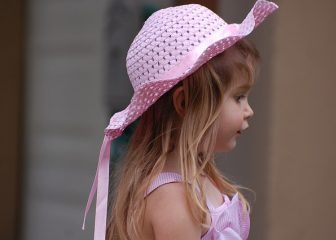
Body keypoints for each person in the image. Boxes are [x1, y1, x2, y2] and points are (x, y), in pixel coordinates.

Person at [82, 1, 278, 239]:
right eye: (238, 97)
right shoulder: (174, 199)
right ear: (184, 103)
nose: (249, 110)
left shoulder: (197, 184)